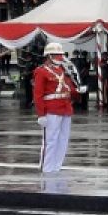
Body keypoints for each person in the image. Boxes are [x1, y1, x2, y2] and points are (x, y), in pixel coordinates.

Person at [33, 43, 84, 173]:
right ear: (49, 56)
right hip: (51, 108)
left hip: (65, 108)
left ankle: (56, 167)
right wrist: (41, 114)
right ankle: (47, 168)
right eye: (56, 55)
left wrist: (77, 91)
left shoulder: (62, 70)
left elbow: (67, 87)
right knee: (50, 141)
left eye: (60, 55)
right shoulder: (41, 71)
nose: (60, 57)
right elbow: (38, 94)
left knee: (63, 140)